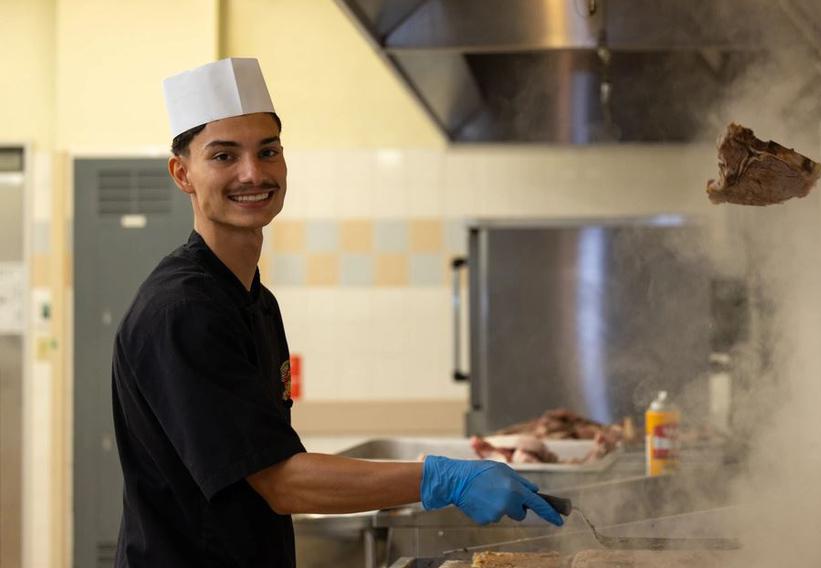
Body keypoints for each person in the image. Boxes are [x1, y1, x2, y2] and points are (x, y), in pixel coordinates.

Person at [111, 58, 562, 567]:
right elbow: (282, 482)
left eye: (268, 151)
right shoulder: (182, 310)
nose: (253, 173)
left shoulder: (252, 301)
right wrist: (439, 478)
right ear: (182, 174)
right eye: (223, 156)